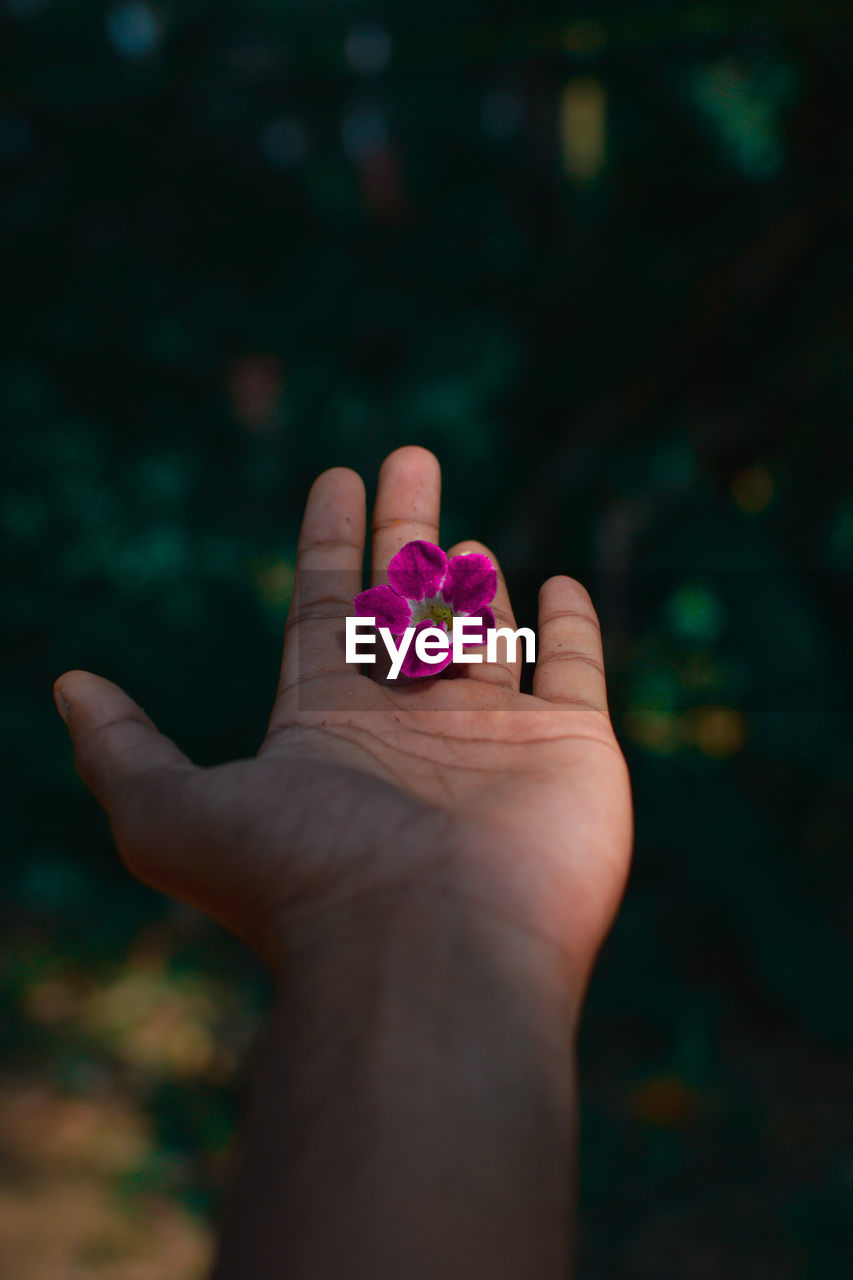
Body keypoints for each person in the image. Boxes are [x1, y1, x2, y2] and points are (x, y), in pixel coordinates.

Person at [53, 445, 633, 1279]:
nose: (432, 624)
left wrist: (399, 921)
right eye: (421, 620)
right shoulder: (392, 617)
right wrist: (400, 919)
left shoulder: (433, 618)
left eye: (440, 623)